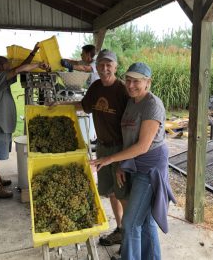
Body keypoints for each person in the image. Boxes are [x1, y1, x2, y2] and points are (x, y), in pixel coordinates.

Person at [91, 62, 176, 260]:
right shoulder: (133, 101)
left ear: (148, 82)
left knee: (130, 223)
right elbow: (129, 139)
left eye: (136, 81)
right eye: (128, 80)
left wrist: (109, 159)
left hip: (150, 169)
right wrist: (122, 164)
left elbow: (142, 146)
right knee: (145, 221)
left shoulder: (152, 105)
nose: (130, 85)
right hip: (135, 165)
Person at [57, 49, 130, 246]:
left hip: (119, 148)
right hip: (103, 148)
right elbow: (84, 105)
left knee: (123, 193)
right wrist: (61, 104)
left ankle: (130, 237)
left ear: (115, 67)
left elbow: (133, 121)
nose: (105, 68)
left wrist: (127, 157)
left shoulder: (122, 90)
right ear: (96, 67)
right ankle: (120, 228)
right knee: (111, 192)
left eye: (109, 65)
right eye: (101, 65)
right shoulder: (96, 86)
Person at [0, 43, 50, 198]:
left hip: (1, 125)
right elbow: (16, 70)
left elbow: (19, 68)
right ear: (2, 66)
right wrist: (38, 64)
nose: (10, 68)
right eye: (7, 66)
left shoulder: (1, 79)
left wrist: (33, 53)